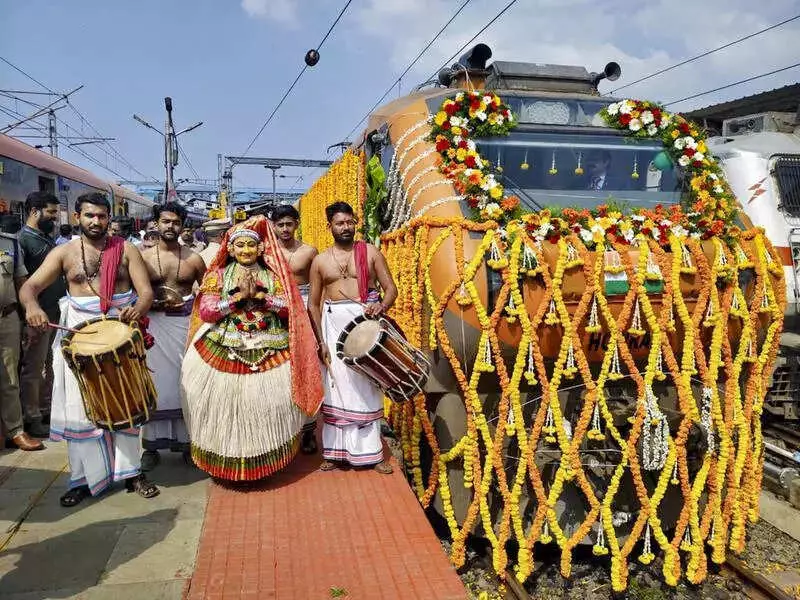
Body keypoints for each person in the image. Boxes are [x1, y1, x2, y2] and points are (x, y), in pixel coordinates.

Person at [19, 192, 159, 507]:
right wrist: (31, 308)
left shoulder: (126, 250)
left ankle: (132, 473)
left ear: (109, 218)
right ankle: (82, 480)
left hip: (120, 335)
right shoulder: (65, 253)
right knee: (79, 411)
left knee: (126, 403)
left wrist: (139, 307)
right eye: (89, 216)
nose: (96, 222)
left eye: (101, 216)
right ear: (77, 217)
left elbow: (146, 292)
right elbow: (29, 287)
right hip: (78, 338)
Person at [181, 216, 322, 481]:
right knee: (222, 405)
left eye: (250, 245)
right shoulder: (218, 275)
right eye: (240, 246)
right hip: (224, 343)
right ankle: (227, 462)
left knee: (271, 406)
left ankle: (265, 461)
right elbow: (208, 311)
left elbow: (289, 309)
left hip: (270, 343)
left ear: (260, 249)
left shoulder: (273, 275)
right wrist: (234, 301)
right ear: (230, 249)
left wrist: (262, 299)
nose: (245, 250)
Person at [308, 201, 398, 474]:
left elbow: (391, 289)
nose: (346, 228)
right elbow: (313, 303)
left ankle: (373, 452)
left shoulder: (370, 252)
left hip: (365, 325)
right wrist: (321, 340)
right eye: (340, 223)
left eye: (350, 222)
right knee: (337, 388)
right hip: (333, 325)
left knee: (366, 385)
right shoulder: (320, 260)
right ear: (330, 227)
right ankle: (335, 453)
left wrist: (381, 306)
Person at [139, 203, 206, 470]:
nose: (170, 227)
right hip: (152, 328)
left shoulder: (193, 259)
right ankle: (151, 447)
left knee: (185, 382)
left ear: (183, 226)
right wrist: (150, 305)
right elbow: (134, 292)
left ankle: (187, 444)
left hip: (183, 326)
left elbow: (210, 292)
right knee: (152, 382)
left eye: (176, 222)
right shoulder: (141, 258)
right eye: (165, 221)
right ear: (156, 223)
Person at [270, 204, 319, 454]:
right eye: (280, 225)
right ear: (273, 226)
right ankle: (283, 431)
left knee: (307, 366)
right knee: (278, 370)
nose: (285, 229)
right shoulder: (266, 252)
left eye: (289, 224)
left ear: (296, 224)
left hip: (304, 312)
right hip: (275, 313)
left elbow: (316, 289)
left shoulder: (309, 252)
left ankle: (309, 431)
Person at [18, 192, 66, 438]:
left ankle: (46, 410)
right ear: (35, 211)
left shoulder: (45, 239)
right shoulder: (23, 240)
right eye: (51, 212)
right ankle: (32, 417)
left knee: (50, 365)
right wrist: (30, 310)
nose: (55, 217)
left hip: (53, 312)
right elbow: (22, 281)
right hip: (37, 316)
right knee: (34, 368)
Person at [0, 229, 44, 451]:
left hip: (6, 318)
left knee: (9, 377)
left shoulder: (10, 244)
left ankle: (15, 430)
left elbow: (21, 283)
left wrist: (28, 318)